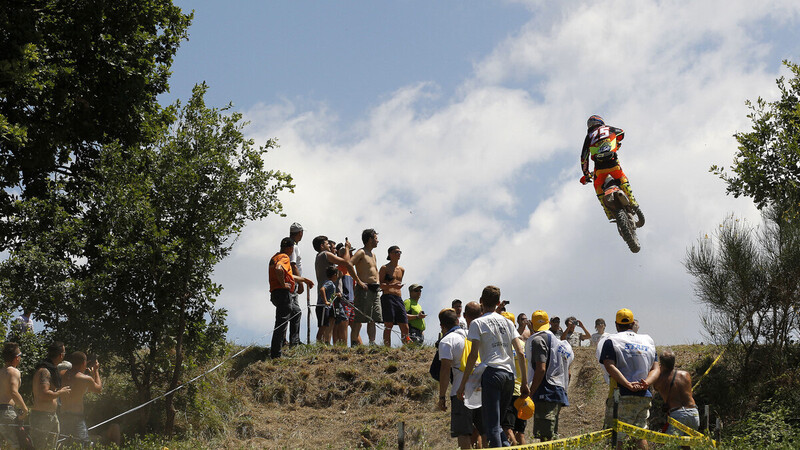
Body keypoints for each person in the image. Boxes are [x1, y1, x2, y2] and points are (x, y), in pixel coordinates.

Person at [456, 286, 529, 448]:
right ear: (498, 303)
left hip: (492, 374)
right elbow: (521, 352)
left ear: (481, 302)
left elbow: (473, 355)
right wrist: (524, 382)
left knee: (492, 426)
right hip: (509, 376)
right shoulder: (508, 323)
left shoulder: (477, 323)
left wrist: (463, 385)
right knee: (497, 425)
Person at [598, 308, 659, 450]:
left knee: (617, 437)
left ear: (616, 324)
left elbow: (609, 365)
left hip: (622, 395)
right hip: (644, 395)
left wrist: (627, 384)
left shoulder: (611, 340)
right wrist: (646, 383)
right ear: (632, 323)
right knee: (640, 435)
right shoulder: (648, 340)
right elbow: (656, 369)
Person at [580, 115, 640, 221]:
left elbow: (584, 157)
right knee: (622, 178)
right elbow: (621, 132)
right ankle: (633, 201)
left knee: (598, 187)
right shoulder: (609, 128)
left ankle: (608, 212)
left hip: (599, 167)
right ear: (601, 122)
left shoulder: (589, 136)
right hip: (613, 162)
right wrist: (615, 142)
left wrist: (586, 173)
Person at [526, 310, 573, 442]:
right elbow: (568, 372)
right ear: (548, 323)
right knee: (552, 435)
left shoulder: (538, 340)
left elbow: (541, 369)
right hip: (558, 391)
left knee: (545, 438)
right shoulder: (557, 342)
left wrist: (531, 392)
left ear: (532, 324)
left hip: (545, 392)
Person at [269, 237, 314, 359]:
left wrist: (303, 280)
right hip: (283, 294)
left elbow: (288, 275)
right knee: (281, 324)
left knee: (296, 312)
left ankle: (294, 342)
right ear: (290, 248)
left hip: (275, 294)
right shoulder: (284, 258)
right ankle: (276, 355)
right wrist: (283, 284)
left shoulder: (275, 257)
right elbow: (279, 268)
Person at [313, 236, 364, 344]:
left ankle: (326, 343)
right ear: (322, 246)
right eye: (328, 244)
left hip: (330, 294)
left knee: (330, 320)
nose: (334, 250)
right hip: (327, 294)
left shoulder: (320, 257)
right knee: (329, 322)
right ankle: (323, 344)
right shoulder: (325, 254)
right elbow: (346, 262)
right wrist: (346, 247)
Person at [436, 308, 475, 450]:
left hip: (460, 392)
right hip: (480, 388)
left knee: (463, 433)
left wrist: (441, 397)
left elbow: (445, 370)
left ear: (442, 326)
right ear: (458, 321)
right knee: (480, 431)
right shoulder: (472, 336)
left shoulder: (447, 341)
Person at [653, 349, 699, 449]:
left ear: (661, 363)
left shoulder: (660, 379)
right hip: (693, 413)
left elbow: (655, 387)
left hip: (677, 414)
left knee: (671, 446)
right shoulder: (686, 374)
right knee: (687, 446)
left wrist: (657, 369)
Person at [30, 341, 71, 449]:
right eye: (64, 353)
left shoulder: (50, 370)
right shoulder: (45, 371)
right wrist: (60, 392)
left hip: (51, 416)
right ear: (61, 355)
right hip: (41, 416)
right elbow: (43, 394)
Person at [60, 352, 102, 447]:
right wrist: (96, 370)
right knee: (85, 445)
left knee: (65, 444)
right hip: (76, 418)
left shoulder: (61, 374)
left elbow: (87, 389)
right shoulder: (85, 379)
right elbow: (98, 389)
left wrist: (91, 377)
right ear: (84, 363)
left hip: (62, 415)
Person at [350, 229, 381, 345]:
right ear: (370, 239)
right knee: (360, 317)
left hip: (374, 288)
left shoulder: (373, 254)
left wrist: (378, 282)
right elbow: (349, 264)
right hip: (364, 288)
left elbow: (375, 270)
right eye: (376, 238)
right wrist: (359, 281)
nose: (378, 241)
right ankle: (354, 342)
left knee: (373, 317)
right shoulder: (361, 252)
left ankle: (372, 342)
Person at [0, 342, 28, 449]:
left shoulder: (1, 371)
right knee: (15, 445)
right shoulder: (13, 371)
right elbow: (13, 392)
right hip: (6, 412)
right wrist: (25, 409)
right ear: (16, 358)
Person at [379, 245, 408, 345]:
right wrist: (392, 285)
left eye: (400, 252)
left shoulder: (401, 270)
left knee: (405, 325)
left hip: (398, 298)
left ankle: (407, 346)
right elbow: (380, 285)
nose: (399, 254)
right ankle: (387, 347)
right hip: (388, 297)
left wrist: (396, 287)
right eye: (396, 252)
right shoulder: (384, 268)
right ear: (390, 254)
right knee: (388, 324)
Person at [287, 222, 304, 347]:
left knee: (288, 311)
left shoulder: (287, 244)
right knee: (295, 311)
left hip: (289, 282)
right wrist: (300, 281)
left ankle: (290, 339)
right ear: (300, 233)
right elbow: (293, 265)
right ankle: (294, 340)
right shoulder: (294, 246)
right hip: (292, 282)